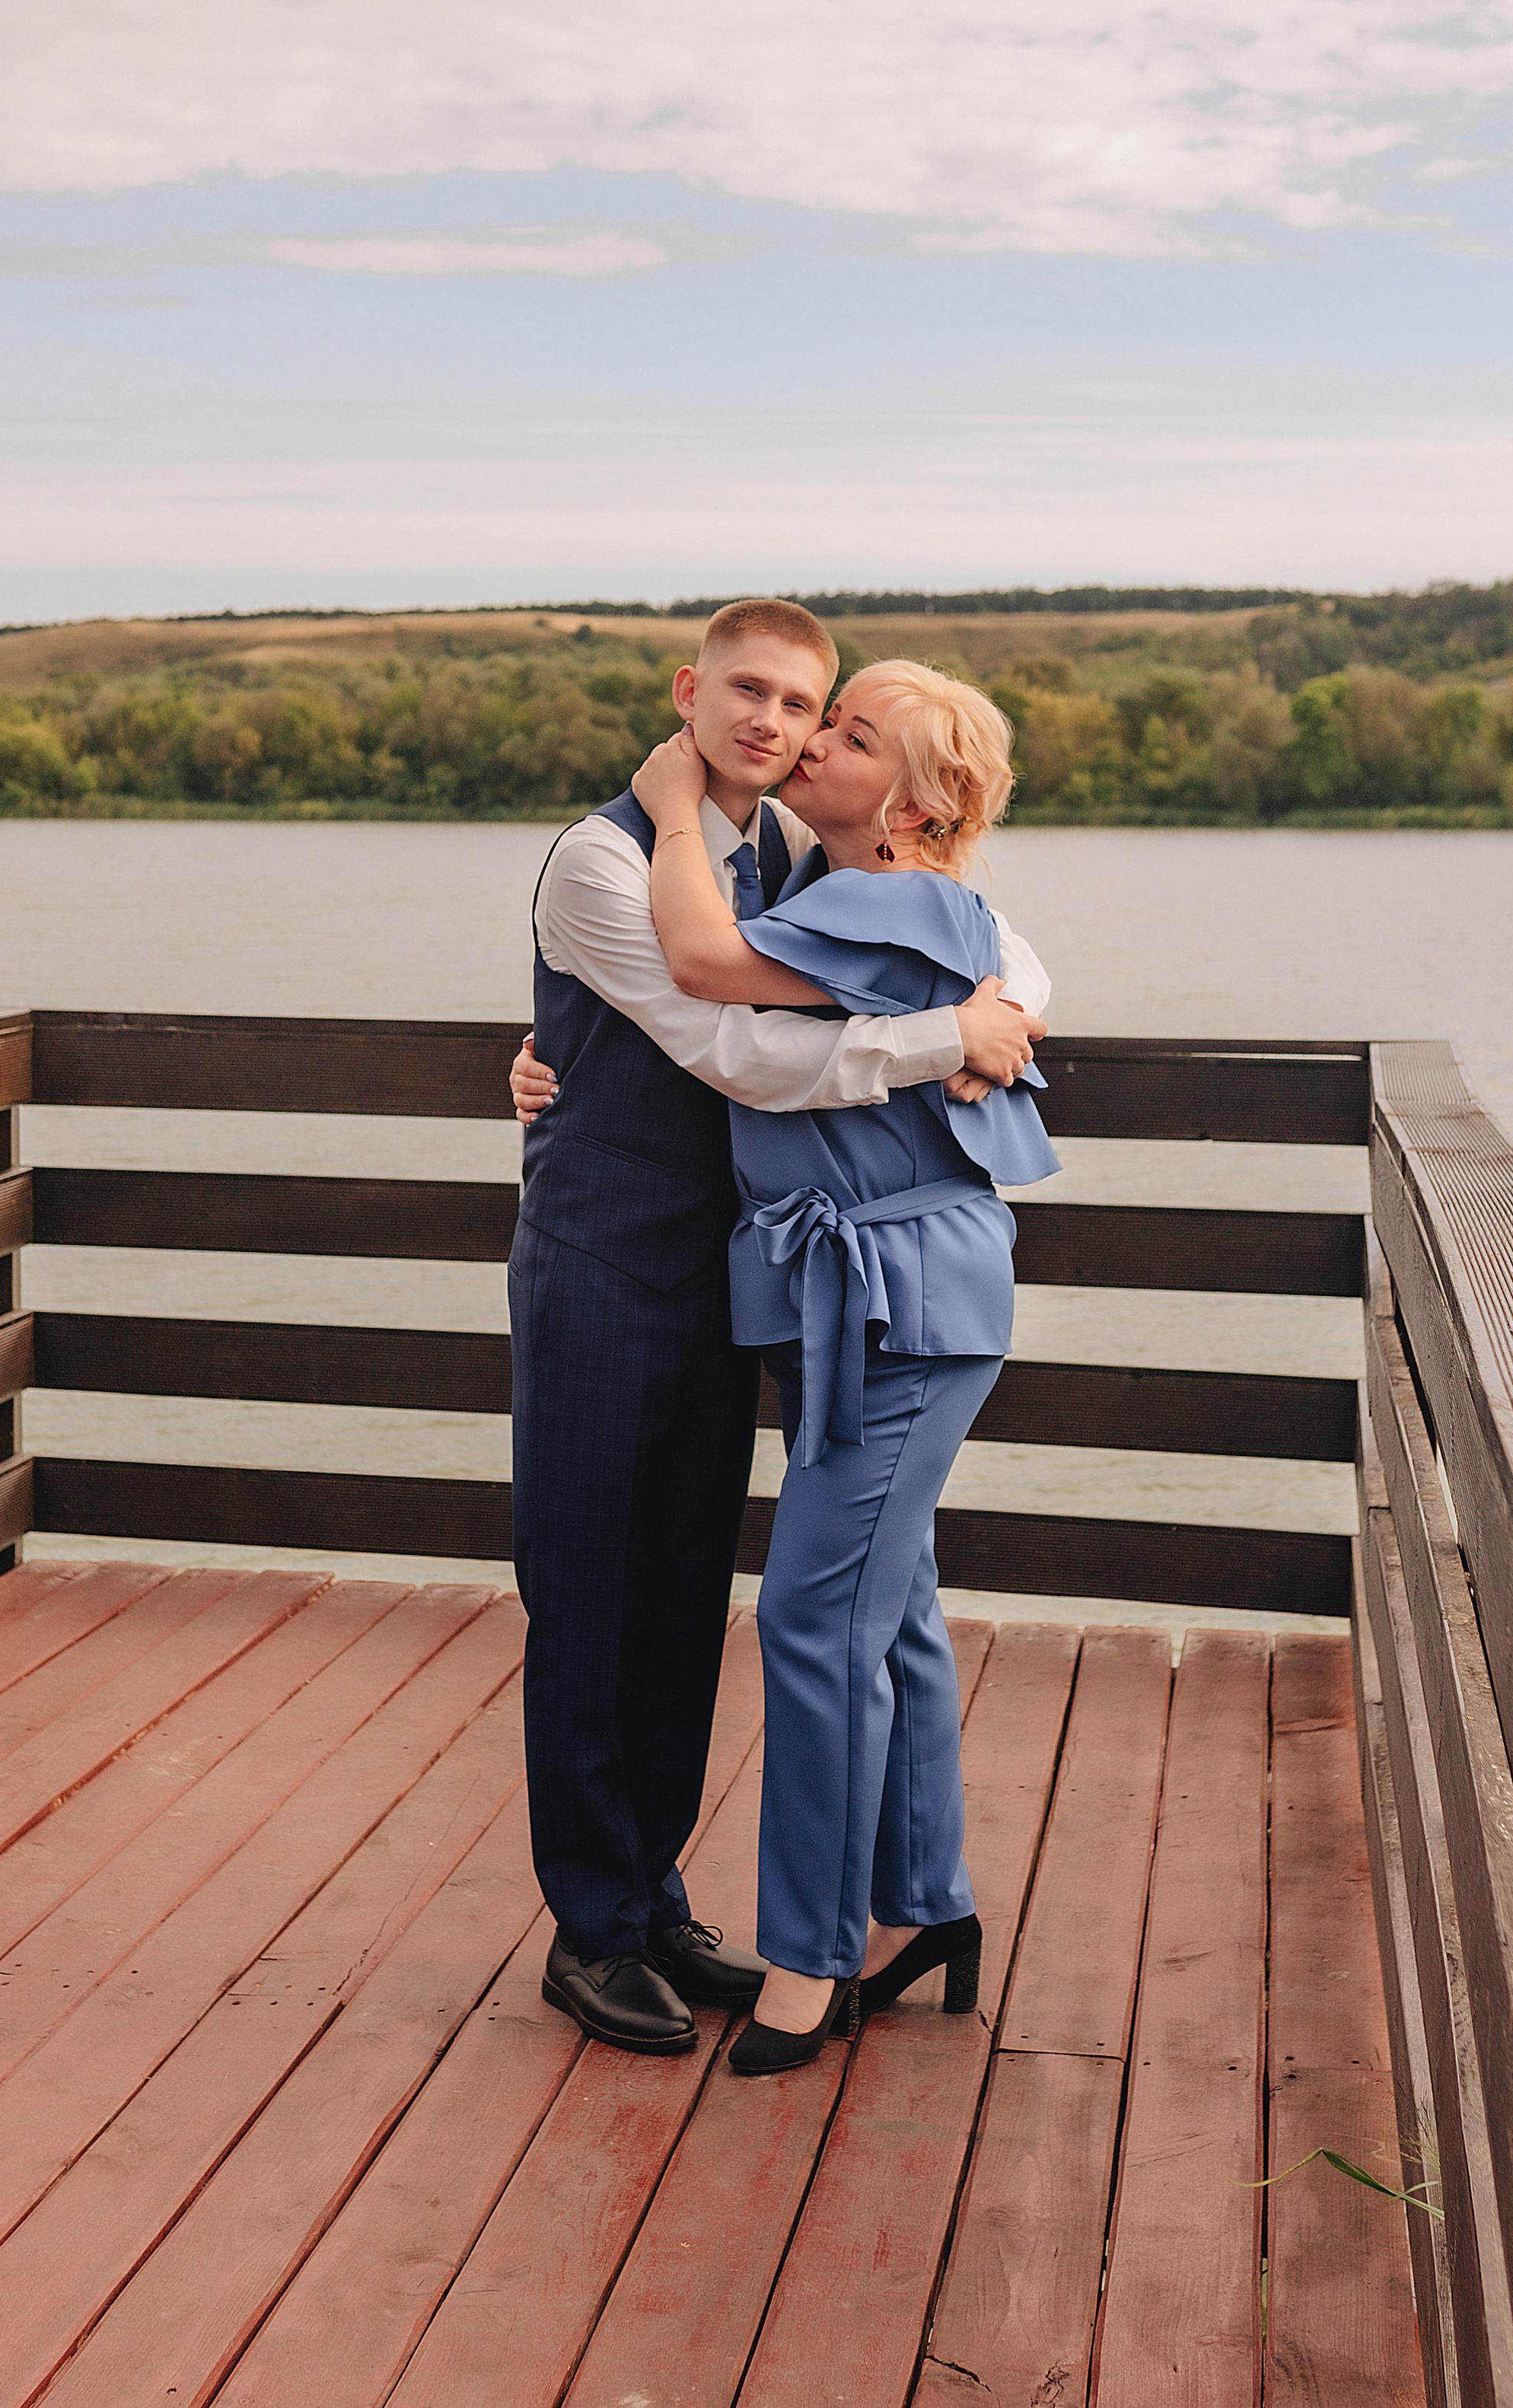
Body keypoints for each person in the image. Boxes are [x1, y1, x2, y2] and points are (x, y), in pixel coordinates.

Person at [507, 601, 1046, 2056]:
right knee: (591, 1583)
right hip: (609, 1261)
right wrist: (952, 1038)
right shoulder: (605, 858)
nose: (774, 721)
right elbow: (731, 1045)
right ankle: (592, 1925)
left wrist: (1004, 1006)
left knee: (685, 1585)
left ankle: (658, 1892)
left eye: (807, 705)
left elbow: (988, 931)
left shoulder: (793, 853)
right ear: (691, 690)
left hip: (751, 1275)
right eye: (748, 689)